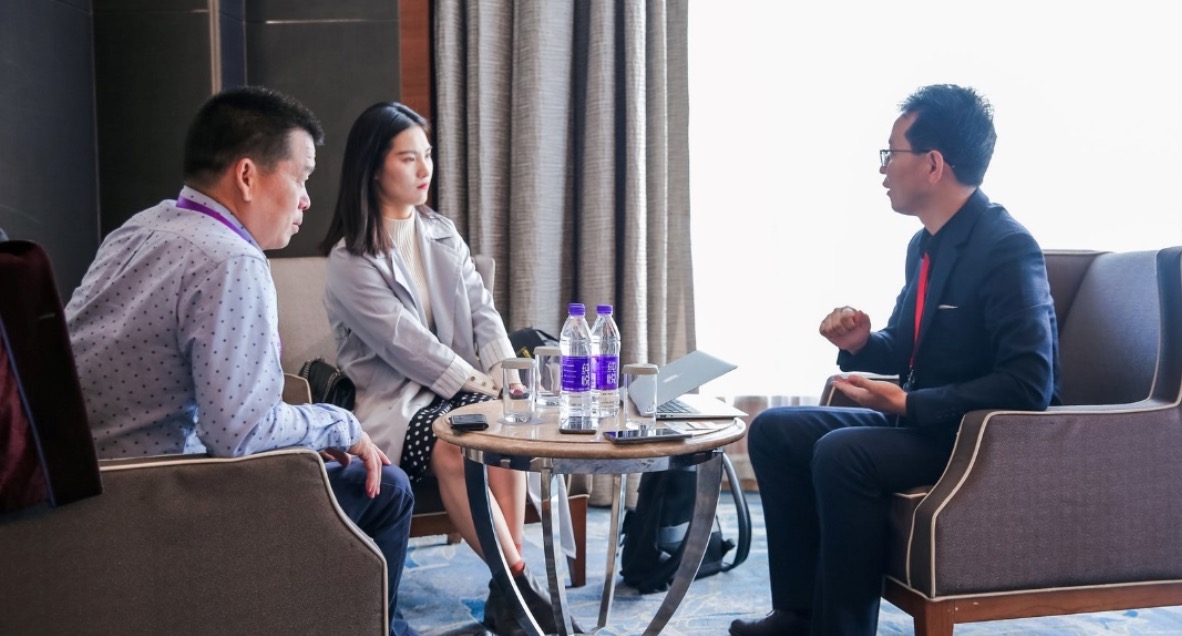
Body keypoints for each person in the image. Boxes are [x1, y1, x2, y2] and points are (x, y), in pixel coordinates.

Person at [65, 86, 419, 636]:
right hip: (158, 502)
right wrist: (340, 423)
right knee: (389, 489)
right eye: (302, 177)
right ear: (248, 176)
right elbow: (239, 433)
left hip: (82, 490)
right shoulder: (230, 260)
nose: (306, 200)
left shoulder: (139, 228)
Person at [730, 85, 1061, 636]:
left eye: (892, 153)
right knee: (773, 430)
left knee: (843, 453)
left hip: (980, 438)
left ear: (933, 164)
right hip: (927, 424)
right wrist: (863, 343)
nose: (883, 168)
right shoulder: (925, 244)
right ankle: (798, 615)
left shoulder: (1006, 247)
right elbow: (907, 345)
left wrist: (909, 403)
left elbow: (1030, 384)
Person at [320, 102, 573, 636]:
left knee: (505, 429)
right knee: (455, 446)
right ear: (373, 168)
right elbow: (411, 348)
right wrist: (485, 385)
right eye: (408, 158)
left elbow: (483, 311)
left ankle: (509, 592)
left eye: (428, 155)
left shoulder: (440, 231)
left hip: (459, 387)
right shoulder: (349, 260)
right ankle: (520, 588)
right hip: (398, 399)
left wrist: (507, 374)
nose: (425, 169)